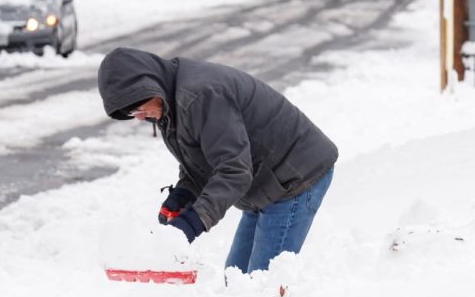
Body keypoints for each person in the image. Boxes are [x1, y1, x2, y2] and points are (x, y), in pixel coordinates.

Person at [97, 47, 338, 275]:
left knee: (260, 287)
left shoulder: (200, 96)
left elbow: (234, 171)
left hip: (294, 176)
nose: (138, 117)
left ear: (148, 85)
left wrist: (193, 222)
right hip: (264, 180)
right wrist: (184, 194)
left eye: (137, 107)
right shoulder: (169, 102)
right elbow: (207, 157)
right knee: (236, 277)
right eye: (130, 114)